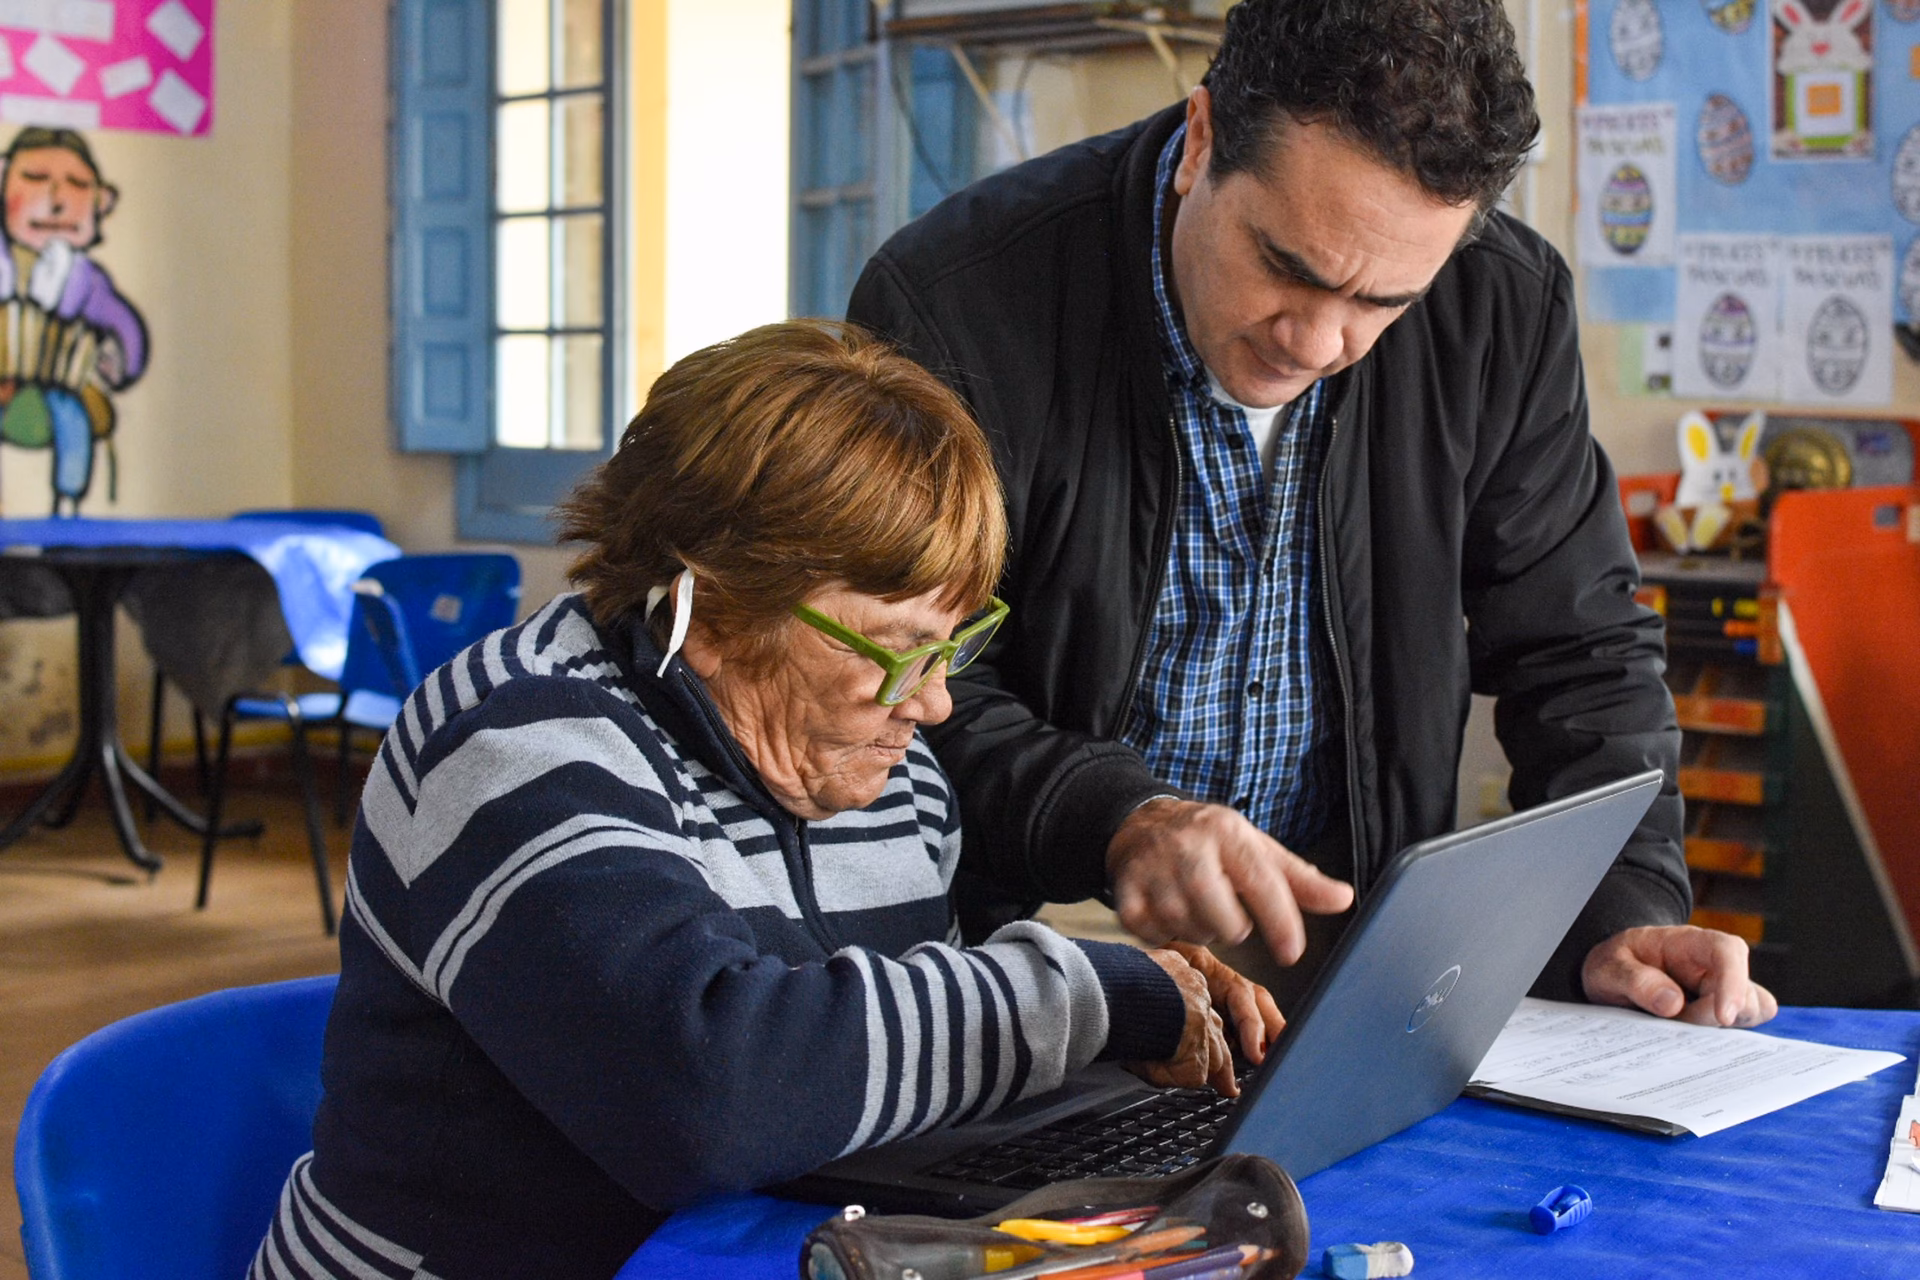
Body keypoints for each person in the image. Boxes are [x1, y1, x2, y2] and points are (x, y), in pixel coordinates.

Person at [249, 320, 1282, 1280]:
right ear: (712, 601)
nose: (930, 700)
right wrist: (1100, 993)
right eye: (896, 647)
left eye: (954, 642)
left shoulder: (890, 775)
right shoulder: (512, 741)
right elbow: (708, 1093)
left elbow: (884, 1072)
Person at [846, 0, 1777, 1030]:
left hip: (1341, 941)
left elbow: (1583, 650)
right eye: (1289, 267)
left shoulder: (1501, 309)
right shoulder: (957, 301)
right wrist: (1114, 815)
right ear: (1203, 140)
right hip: (1018, 927)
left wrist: (1623, 908)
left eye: (1385, 302)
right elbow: (894, 671)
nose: (1321, 341)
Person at [0, 127, 147, 512]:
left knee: (72, 420)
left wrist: (121, 363)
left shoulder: (87, 284)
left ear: (101, 202)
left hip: (61, 391)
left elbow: (125, 329)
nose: (55, 202)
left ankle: (67, 506)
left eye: (78, 186)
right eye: (34, 179)